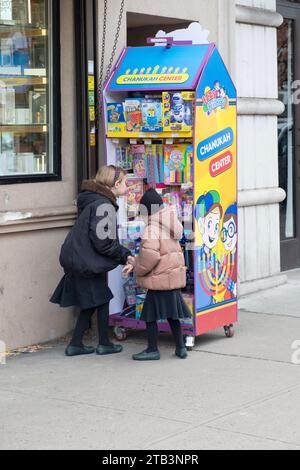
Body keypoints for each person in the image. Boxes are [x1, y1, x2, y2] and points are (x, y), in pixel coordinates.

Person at [50, 165, 131, 357]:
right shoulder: (104, 205)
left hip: (78, 258)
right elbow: (103, 242)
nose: (128, 188)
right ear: (116, 184)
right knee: (100, 298)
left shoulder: (93, 199)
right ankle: (100, 343)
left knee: (98, 299)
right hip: (84, 261)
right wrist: (125, 254)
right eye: (126, 183)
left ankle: (79, 344)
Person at [125, 188, 191, 361]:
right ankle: (180, 347)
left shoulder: (151, 229)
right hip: (172, 277)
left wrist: (136, 266)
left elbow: (149, 257)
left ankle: (152, 349)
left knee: (150, 315)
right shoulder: (171, 224)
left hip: (159, 278)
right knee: (173, 315)